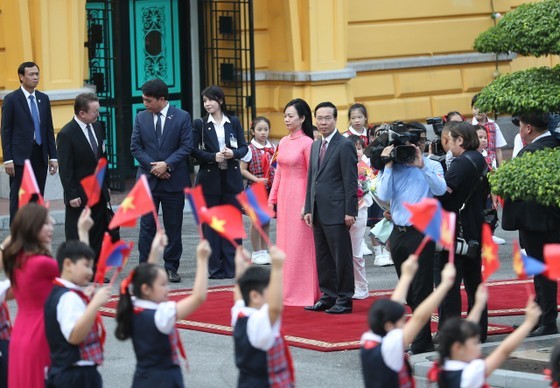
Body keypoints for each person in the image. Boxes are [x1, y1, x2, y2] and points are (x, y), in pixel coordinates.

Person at [376, 123, 447, 353]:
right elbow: (384, 195)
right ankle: (420, 336)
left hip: (421, 233)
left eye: (417, 144)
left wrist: (422, 165)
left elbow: (440, 189)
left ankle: (421, 341)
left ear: (422, 144)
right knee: (407, 290)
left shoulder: (433, 164)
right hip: (398, 233)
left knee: (421, 289)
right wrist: (387, 164)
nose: (411, 149)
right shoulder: (394, 167)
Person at [115, 233, 210, 388]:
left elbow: (145, 278)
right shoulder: (161, 315)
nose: (168, 288)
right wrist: (202, 259)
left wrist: (154, 251)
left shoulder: (133, 305)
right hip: (164, 380)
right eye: (163, 285)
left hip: (142, 378)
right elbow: (198, 297)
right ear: (146, 289)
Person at [502, 111, 560, 337]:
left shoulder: (532, 152)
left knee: (543, 273)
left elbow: (514, 188)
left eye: (521, 126)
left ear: (528, 129)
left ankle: (547, 321)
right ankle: (539, 318)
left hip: (537, 224)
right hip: (551, 221)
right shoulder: (555, 143)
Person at [130, 78, 193, 283]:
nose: (145, 104)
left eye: (148, 100)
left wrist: (167, 165)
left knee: (173, 226)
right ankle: (145, 268)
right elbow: (135, 147)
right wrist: (155, 168)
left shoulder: (182, 117)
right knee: (147, 226)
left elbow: (186, 147)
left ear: (162, 99)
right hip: (149, 182)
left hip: (173, 181)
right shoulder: (141, 118)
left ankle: (171, 267)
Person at [360, 254, 456, 388]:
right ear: (388, 325)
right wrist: (445, 285)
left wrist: (407, 276)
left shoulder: (370, 337)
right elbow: (419, 318)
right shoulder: (390, 346)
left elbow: (393, 306)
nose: (404, 324)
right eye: (401, 321)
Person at [303, 101, 358, 314]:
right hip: (318, 210)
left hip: (338, 211)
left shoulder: (344, 145)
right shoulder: (316, 144)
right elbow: (312, 179)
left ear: (335, 119)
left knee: (341, 257)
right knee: (323, 256)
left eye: (327, 118)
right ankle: (328, 295)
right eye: (320, 118)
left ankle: (344, 299)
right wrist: (308, 207)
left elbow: (350, 181)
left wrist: (350, 211)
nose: (323, 122)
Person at [437, 122, 490, 342]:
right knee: (473, 280)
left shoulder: (460, 164)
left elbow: (444, 195)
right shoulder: (479, 158)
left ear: (460, 140)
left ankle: (450, 332)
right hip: (475, 227)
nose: (446, 144)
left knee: (449, 283)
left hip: (455, 230)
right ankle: (479, 329)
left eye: (449, 139)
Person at [192, 85, 248, 279]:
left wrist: (233, 154)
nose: (207, 104)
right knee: (212, 225)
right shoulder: (199, 124)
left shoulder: (233, 121)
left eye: (211, 100)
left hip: (231, 179)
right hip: (209, 180)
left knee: (232, 222)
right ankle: (215, 268)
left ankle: (233, 267)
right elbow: (194, 151)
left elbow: (243, 147)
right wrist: (212, 157)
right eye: (205, 101)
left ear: (220, 101)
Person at [268, 98, 320, 306]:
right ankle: (285, 290)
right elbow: (278, 172)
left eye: (291, 116)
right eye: (285, 116)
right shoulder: (282, 142)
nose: (286, 119)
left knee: (302, 246)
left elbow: (312, 176)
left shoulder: (308, 143)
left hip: (300, 196)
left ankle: (305, 292)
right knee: (285, 245)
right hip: (284, 197)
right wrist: (272, 199)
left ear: (302, 118)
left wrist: (307, 204)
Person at [2, 203, 58, 387]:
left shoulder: (19, 260)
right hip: (40, 333)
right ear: (32, 228)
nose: (52, 225)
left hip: (20, 333)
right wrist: (83, 233)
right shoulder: (42, 263)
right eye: (45, 223)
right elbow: (78, 274)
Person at [434, 290, 541, 387]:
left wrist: (479, 305)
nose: (478, 347)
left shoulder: (444, 366)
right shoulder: (470, 374)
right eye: (474, 343)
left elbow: (465, 330)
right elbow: (503, 351)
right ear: (457, 347)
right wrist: (529, 323)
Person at [44, 241, 111, 387]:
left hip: (68, 371)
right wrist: (94, 305)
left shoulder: (61, 292)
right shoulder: (69, 298)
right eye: (86, 266)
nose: (90, 272)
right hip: (75, 375)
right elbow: (74, 337)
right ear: (68, 264)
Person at [1, 62, 58, 224]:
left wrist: (53, 156)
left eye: (37, 74)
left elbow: (48, 129)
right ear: (21, 77)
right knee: (19, 198)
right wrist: (8, 159)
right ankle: (17, 234)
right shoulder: (12, 99)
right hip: (20, 158)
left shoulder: (43, 98)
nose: (35, 77)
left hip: (40, 154)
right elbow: (6, 131)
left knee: (37, 196)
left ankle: (35, 231)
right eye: (31, 74)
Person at [57, 93, 110, 265]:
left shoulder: (97, 127)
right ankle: (76, 268)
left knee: (97, 231)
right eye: (95, 112)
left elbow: (103, 159)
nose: (98, 115)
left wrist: (106, 185)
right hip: (79, 194)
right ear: (82, 113)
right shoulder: (66, 133)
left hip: (99, 192)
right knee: (77, 234)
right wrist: (71, 194)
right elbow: (65, 168)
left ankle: (93, 268)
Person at [232, 245, 294, 387]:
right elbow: (275, 308)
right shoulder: (258, 322)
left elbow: (239, 292)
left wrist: (240, 266)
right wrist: (278, 268)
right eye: (269, 290)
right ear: (255, 296)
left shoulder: (239, 314)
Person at [240, 116, 276, 265]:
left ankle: (264, 250)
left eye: (266, 130)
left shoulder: (273, 148)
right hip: (255, 188)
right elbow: (242, 170)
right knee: (256, 221)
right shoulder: (249, 149)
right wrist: (257, 179)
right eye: (259, 129)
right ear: (253, 131)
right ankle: (256, 252)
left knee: (266, 221)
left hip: (270, 188)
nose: (263, 133)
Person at [347, 135, 373, 299]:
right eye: (353, 148)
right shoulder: (340, 165)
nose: (356, 151)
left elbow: (363, 190)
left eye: (359, 148)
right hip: (341, 213)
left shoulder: (364, 168)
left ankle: (362, 287)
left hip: (359, 210)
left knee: (356, 253)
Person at [471, 93, 507, 167]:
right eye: (475, 108)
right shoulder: (470, 127)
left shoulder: (494, 126)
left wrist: (501, 167)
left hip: (492, 164)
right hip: (476, 164)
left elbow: (498, 149)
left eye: (481, 108)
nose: (478, 111)